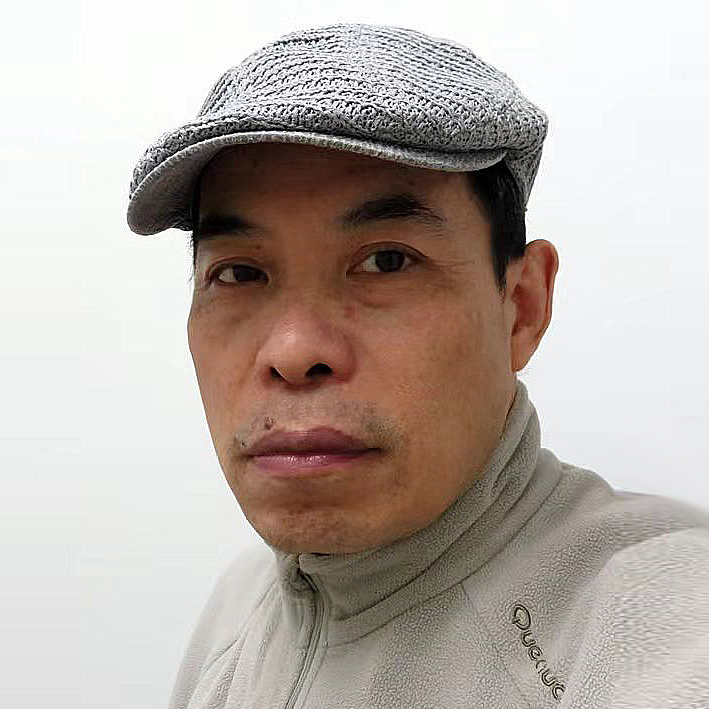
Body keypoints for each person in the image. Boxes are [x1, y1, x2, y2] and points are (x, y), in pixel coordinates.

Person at [126, 23, 709, 709]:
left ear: (521, 305)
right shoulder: (239, 605)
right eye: (239, 272)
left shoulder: (662, 619)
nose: (294, 352)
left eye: (386, 261)